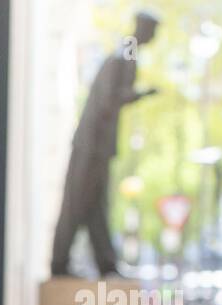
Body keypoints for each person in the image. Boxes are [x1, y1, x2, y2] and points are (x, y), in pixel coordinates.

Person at [51, 10, 160, 278]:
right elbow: (110, 98)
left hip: (97, 146)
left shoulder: (127, 54)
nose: (154, 36)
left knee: (96, 205)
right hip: (92, 145)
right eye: (153, 30)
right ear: (144, 28)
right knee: (77, 202)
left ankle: (105, 263)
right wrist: (142, 94)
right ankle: (60, 262)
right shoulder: (126, 56)